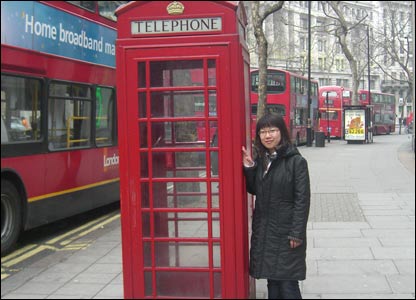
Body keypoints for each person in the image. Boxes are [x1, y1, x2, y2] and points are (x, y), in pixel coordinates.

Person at [242, 113, 310, 299]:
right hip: (266, 230)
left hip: (287, 232)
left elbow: (302, 200)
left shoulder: (296, 162)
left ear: (282, 132)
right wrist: (250, 168)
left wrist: (297, 233)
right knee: (272, 280)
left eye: (272, 130)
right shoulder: (264, 160)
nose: (267, 135)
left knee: (288, 283)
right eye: (263, 132)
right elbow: (255, 189)